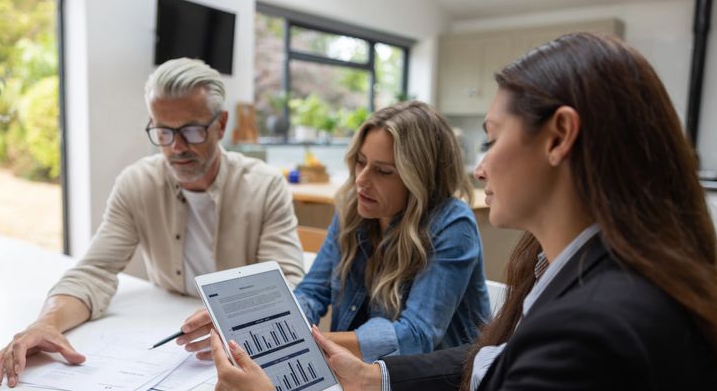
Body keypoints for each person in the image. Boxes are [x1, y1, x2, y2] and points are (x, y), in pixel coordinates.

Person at [209, 33, 717, 391]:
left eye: (491, 139)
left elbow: (439, 341)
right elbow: (500, 359)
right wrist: (375, 378)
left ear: (559, 136)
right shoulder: (581, 274)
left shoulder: (592, 332)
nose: (479, 169)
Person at [0, 58, 305, 388]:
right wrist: (46, 323)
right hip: (174, 351)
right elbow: (95, 271)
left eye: (192, 130)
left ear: (220, 125)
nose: (177, 147)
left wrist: (234, 317)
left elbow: (290, 283)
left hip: (245, 355)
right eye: (163, 132)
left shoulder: (265, 185)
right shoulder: (136, 183)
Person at [178, 101, 490, 363]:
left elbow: (415, 337)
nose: (361, 181)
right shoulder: (354, 211)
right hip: (364, 378)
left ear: (421, 178)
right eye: (360, 162)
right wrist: (247, 322)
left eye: (383, 171)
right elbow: (311, 294)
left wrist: (308, 341)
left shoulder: (452, 224)